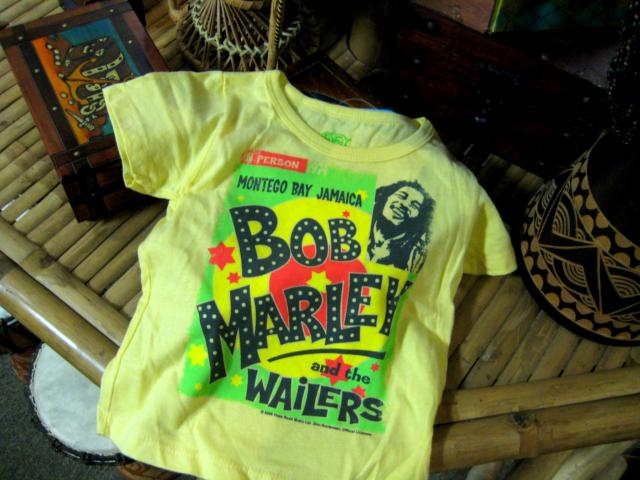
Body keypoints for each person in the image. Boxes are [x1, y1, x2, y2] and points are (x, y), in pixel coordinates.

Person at [367, 180, 435, 273]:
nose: (404, 204)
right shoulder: (361, 221)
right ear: (388, 197)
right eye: (401, 196)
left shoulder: (414, 255)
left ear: (419, 216)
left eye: (414, 205)